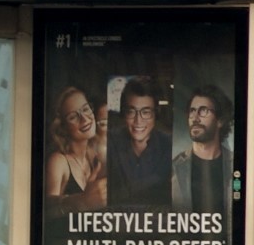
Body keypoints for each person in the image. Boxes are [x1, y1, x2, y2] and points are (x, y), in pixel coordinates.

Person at [106, 76, 172, 208]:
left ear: (156, 114)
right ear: (124, 114)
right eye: (131, 112)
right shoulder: (110, 142)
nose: (138, 121)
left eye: (146, 112)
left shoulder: (169, 146)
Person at [44, 86, 106, 217]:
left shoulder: (94, 155)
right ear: (62, 127)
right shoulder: (58, 160)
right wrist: (82, 201)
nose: (84, 119)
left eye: (85, 109)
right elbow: (46, 210)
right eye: (73, 117)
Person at [172, 84, 233, 214]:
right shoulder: (174, 167)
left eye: (203, 110)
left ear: (220, 120)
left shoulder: (236, 164)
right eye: (192, 111)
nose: (195, 118)